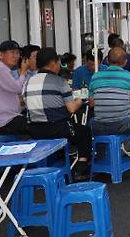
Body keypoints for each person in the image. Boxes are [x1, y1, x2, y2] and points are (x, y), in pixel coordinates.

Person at [24, 47, 91, 180]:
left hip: (34, 130)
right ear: (54, 64)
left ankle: (58, 163)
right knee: (84, 131)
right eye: (59, 63)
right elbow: (71, 108)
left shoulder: (28, 82)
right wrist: (79, 101)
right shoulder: (59, 82)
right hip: (57, 129)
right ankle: (81, 168)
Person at [89, 47, 130, 172]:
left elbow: (92, 104)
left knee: (92, 122)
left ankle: (101, 158)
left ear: (107, 60)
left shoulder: (96, 77)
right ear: (125, 62)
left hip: (98, 126)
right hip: (122, 125)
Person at [0, 40, 29, 135]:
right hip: (4, 123)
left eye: (17, 53)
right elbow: (18, 88)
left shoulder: (5, 71)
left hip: (9, 120)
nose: (16, 56)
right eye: (12, 52)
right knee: (37, 126)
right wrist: (23, 72)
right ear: (1, 55)